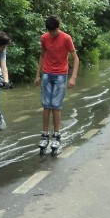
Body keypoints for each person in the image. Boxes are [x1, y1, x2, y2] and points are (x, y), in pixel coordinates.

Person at [33, 15, 79, 152]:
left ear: (58, 28)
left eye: (54, 31)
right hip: (47, 74)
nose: (52, 34)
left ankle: (57, 136)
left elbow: (76, 59)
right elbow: (42, 56)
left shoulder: (66, 38)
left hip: (61, 75)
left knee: (56, 106)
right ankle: (45, 135)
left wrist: (73, 78)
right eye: (50, 31)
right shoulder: (44, 38)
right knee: (46, 105)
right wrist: (38, 75)